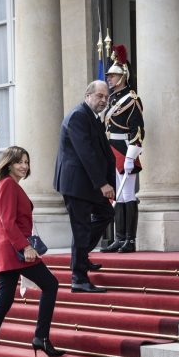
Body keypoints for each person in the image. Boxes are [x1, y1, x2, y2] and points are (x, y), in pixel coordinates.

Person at [0, 146, 63, 357]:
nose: (24, 166)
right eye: (19, 162)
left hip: (11, 250)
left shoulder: (10, 185)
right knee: (50, 284)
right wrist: (24, 246)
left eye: (26, 161)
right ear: (8, 163)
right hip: (15, 249)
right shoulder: (7, 185)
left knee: (3, 303)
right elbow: (7, 221)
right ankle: (41, 337)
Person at [53, 81, 116, 293]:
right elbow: (86, 154)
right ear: (87, 95)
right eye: (99, 96)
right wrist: (103, 184)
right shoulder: (78, 115)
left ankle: (79, 257)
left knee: (106, 213)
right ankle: (78, 278)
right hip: (76, 183)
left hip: (86, 183)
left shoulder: (93, 116)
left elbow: (103, 152)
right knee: (81, 229)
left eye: (106, 97)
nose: (104, 101)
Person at [100, 44, 145, 253]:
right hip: (112, 149)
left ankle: (130, 239)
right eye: (108, 76)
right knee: (118, 197)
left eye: (112, 76)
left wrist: (131, 156)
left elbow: (138, 131)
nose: (109, 79)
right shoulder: (112, 99)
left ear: (123, 76)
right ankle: (119, 238)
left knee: (128, 195)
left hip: (125, 150)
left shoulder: (132, 99)